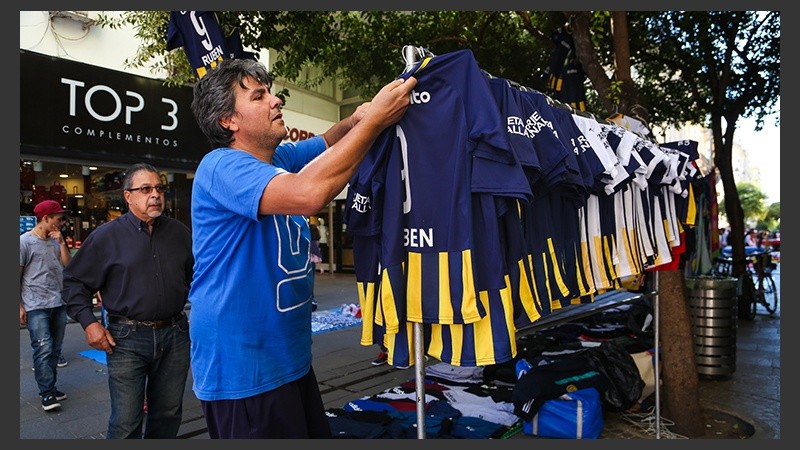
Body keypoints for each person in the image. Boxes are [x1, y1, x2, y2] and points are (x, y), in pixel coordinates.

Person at [188, 57, 416, 438]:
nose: (276, 101)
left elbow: (328, 142)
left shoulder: (276, 158)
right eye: (259, 96)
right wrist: (375, 121)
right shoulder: (221, 167)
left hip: (287, 360)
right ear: (228, 120)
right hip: (245, 371)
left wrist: (357, 119)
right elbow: (309, 193)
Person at [62, 163, 194, 439]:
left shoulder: (180, 233)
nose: (155, 195)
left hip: (175, 335)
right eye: (146, 189)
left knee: (168, 414)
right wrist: (89, 324)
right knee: (125, 422)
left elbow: (197, 278)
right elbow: (74, 282)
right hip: (126, 338)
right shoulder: (105, 237)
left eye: (159, 188)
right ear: (128, 196)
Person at [20, 200, 72, 411]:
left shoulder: (55, 240)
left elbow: (69, 266)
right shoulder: (24, 242)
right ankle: (47, 394)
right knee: (43, 348)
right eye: (58, 218)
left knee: (54, 349)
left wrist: (61, 244)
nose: (61, 222)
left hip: (58, 302)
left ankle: (50, 385)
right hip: (36, 304)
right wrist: (19, 306)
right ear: (46, 219)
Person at [309, 222, 322, 311]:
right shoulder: (313, 242)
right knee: (311, 280)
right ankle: (311, 299)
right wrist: (321, 266)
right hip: (311, 262)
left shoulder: (306, 240)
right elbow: (317, 254)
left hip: (305, 262)